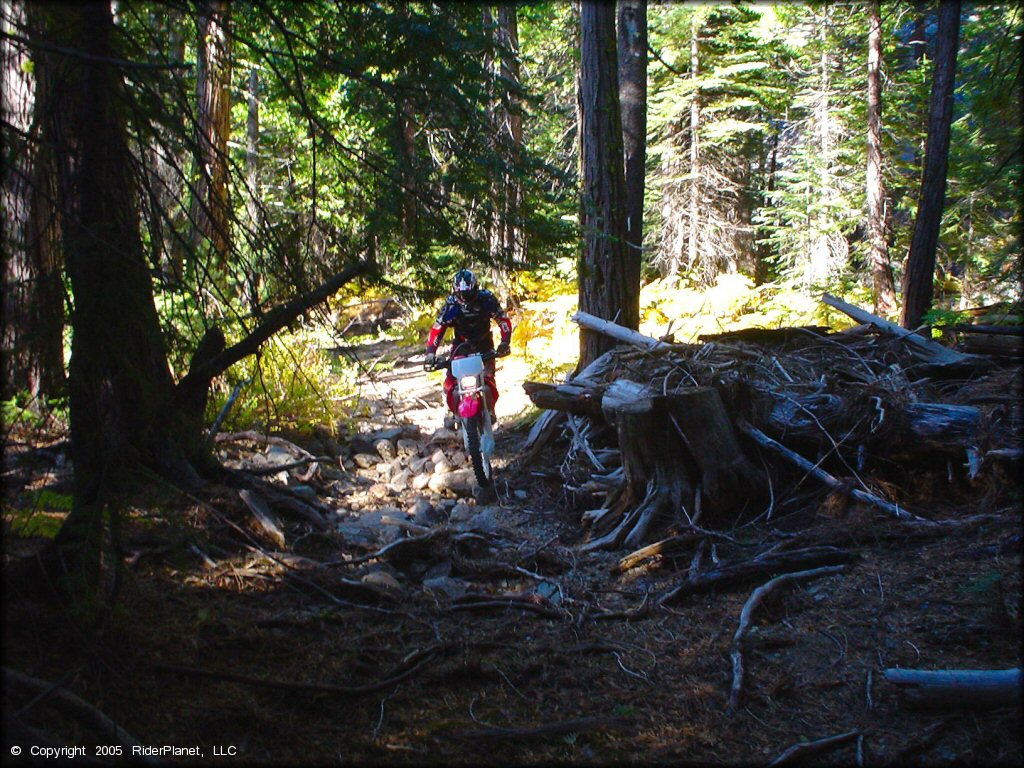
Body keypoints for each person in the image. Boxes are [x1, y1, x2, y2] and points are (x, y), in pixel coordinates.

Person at [424, 269, 512, 421]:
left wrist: (505, 342)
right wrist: (431, 352)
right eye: (461, 294)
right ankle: (451, 410)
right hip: (461, 345)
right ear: (456, 292)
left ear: (475, 288)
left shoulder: (486, 299)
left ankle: (490, 409)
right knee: (451, 378)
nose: (464, 298)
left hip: (484, 343)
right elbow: (438, 328)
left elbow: (502, 319)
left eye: (468, 294)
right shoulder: (452, 305)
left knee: (488, 376)